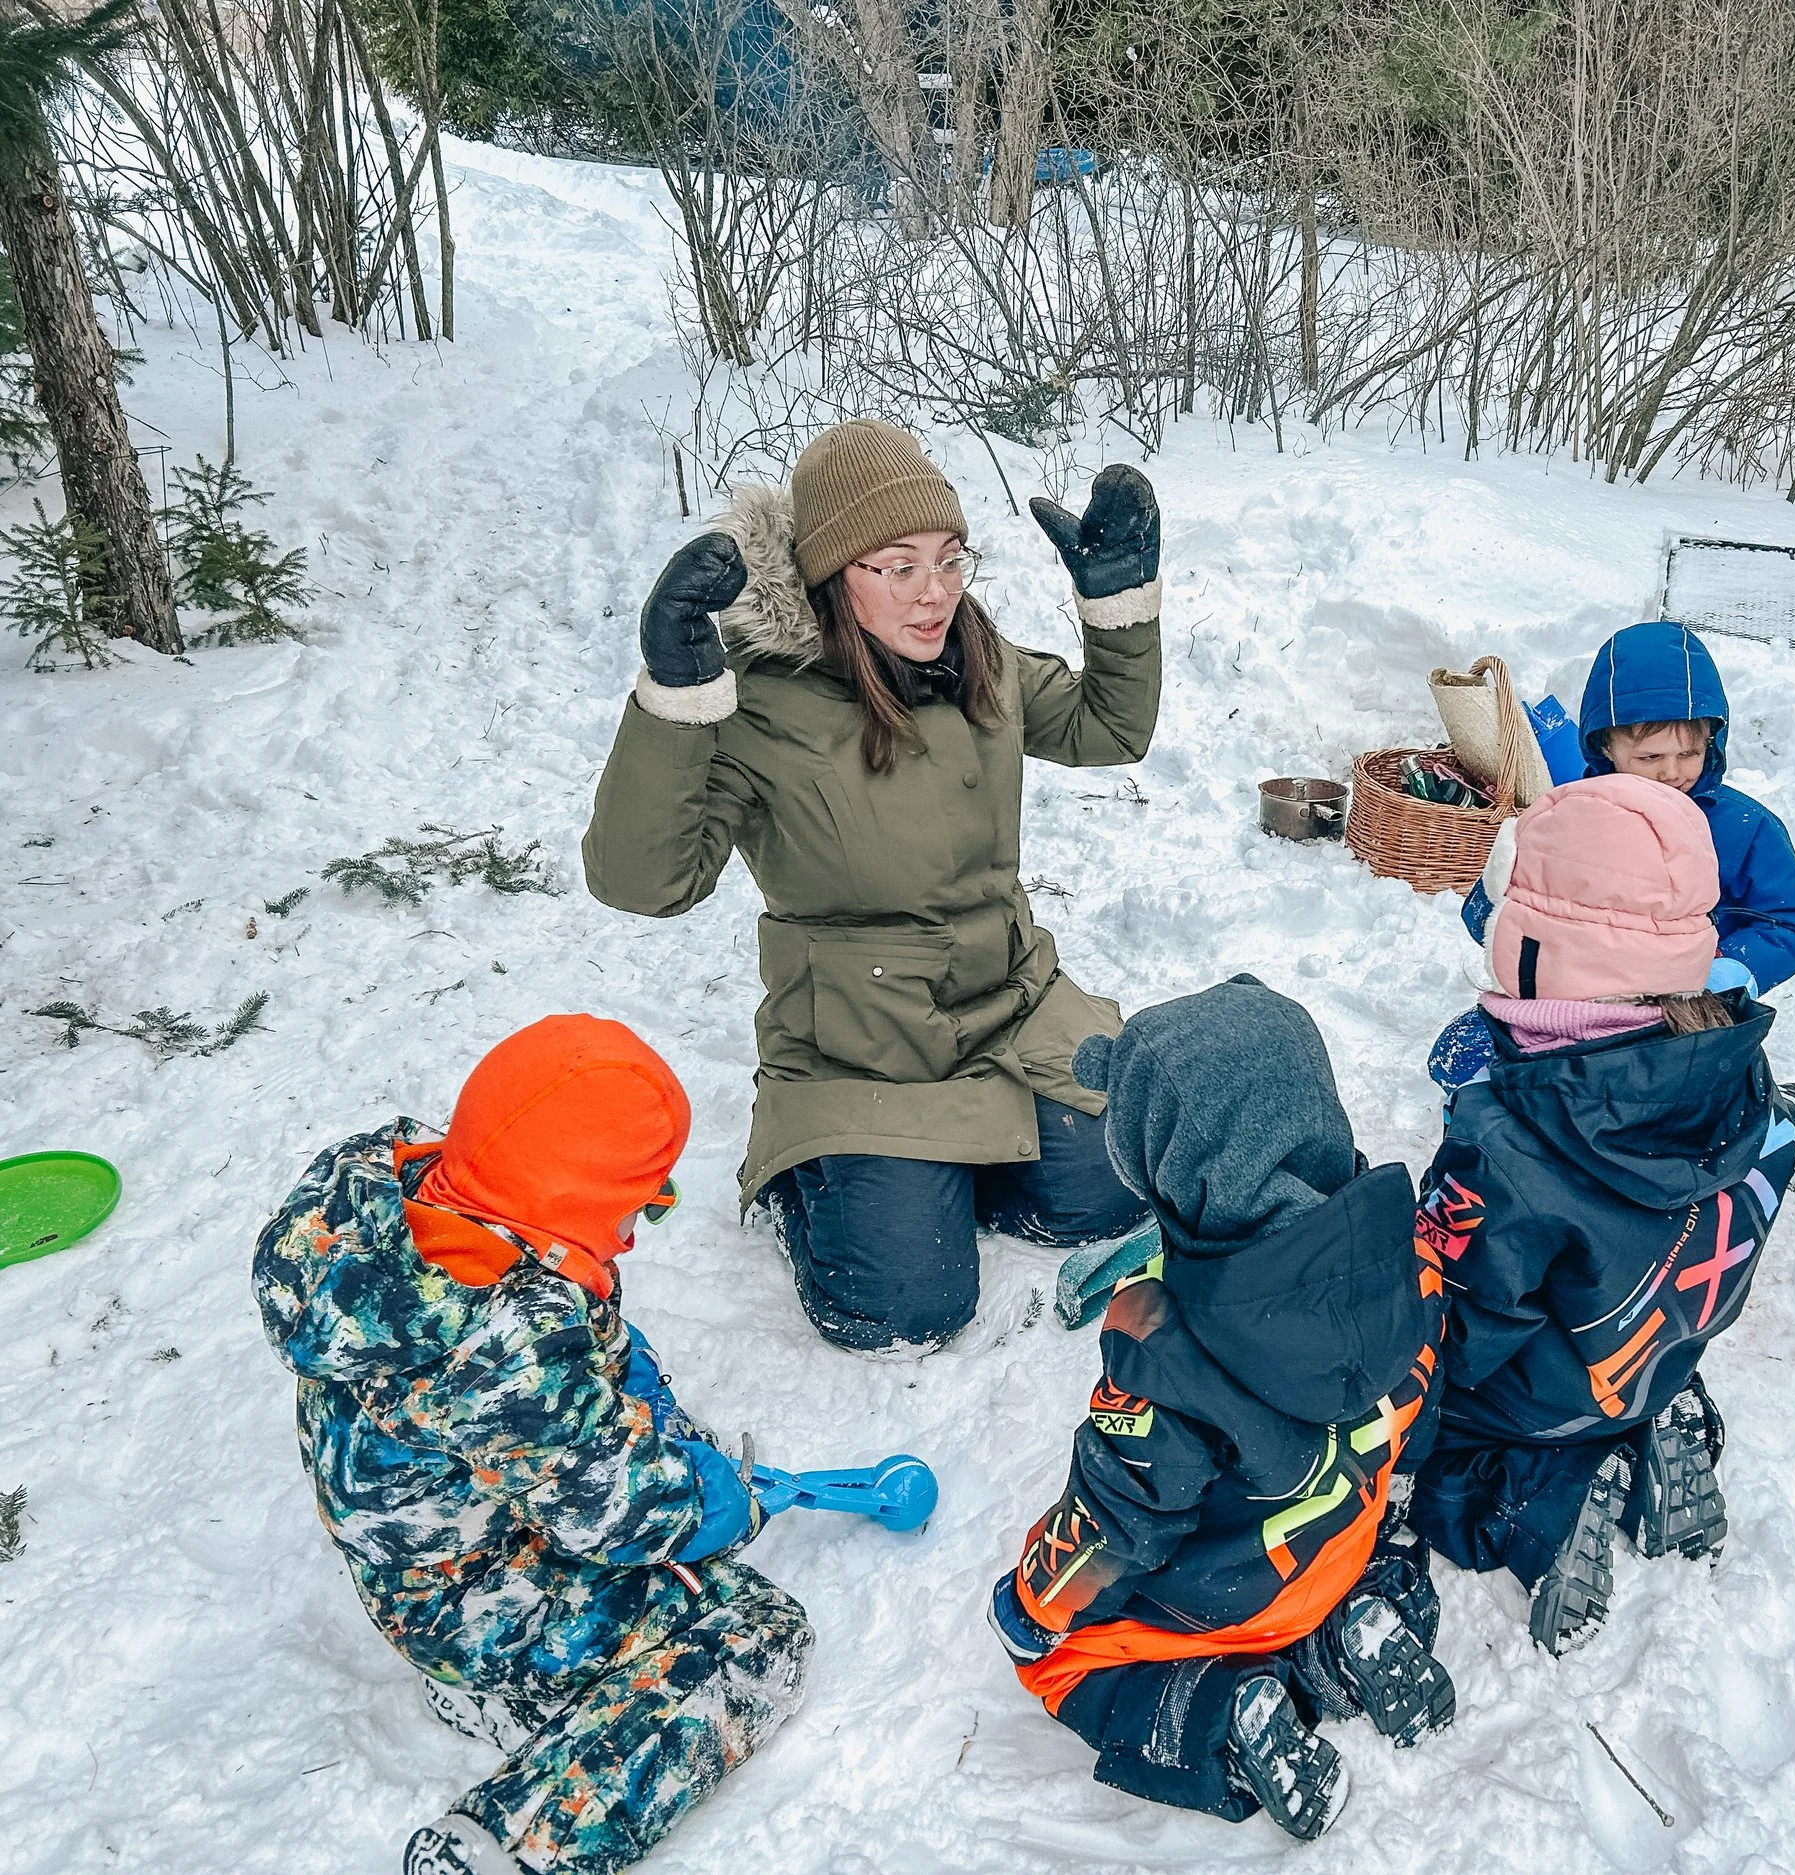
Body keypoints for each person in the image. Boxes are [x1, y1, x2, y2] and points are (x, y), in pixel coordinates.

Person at [583, 421, 1162, 1350]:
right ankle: (816, 1180)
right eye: (896, 565)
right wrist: (676, 696)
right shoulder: (761, 699)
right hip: (862, 1041)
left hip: (1010, 1006)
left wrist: (1116, 601)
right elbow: (642, 882)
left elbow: (1108, 728)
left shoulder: (983, 657)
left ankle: (946, 1164)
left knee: (1114, 1189)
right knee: (904, 1307)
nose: (934, 591)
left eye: (948, 557)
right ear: (829, 574)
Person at [251, 1016, 811, 1875]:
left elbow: (553, 1328)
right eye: (634, 1206)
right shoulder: (512, 1345)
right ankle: (513, 1837)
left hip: (419, 1550)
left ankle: (512, 1691)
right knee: (750, 1633)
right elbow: (615, 1516)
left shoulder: (386, 1201)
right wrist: (716, 1501)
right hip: (468, 1595)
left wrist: (624, 1373)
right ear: (571, 1199)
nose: (632, 1232)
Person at [988, 978, 1450, 1842]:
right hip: (1340, 1544)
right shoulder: (1410, 1262)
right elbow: (1421, 1414)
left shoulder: (1159, 1342)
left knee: (1062, 1668)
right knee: (1341, 1568)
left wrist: (1033, 1601)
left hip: (1237, 1594)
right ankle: (1342, 1636)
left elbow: (1117, 1518)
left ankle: (1222, 1713)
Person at [1411, 776, 1795, 1654]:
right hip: (1656, 1343)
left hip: (1551, 1392)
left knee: (1435, 1467)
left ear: (1531, 950)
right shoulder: (1737, 1073)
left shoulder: (1505, 1141)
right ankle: (1655, 1415)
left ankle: (1545, 1498)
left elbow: (1461, 1325)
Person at [1460, 620, 1795, 995]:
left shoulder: (1742, 827)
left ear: (1712, 744)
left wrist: (1732, 968)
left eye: (1689, 753)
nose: (1671, 772)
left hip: (1688, 1009)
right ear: (1604, 747)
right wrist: (1513, 916)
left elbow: (1792, 919)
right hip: (1575, 998)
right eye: (1649, 757)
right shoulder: (1571, 816)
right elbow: (1485, 912)